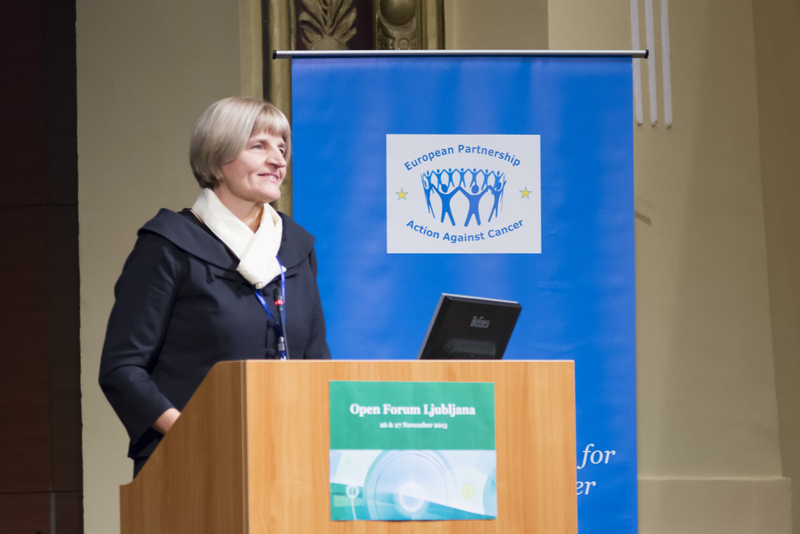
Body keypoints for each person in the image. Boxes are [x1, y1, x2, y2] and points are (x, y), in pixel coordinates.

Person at [98, 97, 331, 477]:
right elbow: (123, 369)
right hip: (192, 464)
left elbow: (316, 363)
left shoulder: (295, 248)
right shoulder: (170, 244)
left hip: (286, 461)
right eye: (259, 146)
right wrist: (195, 434)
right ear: (217, 157)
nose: (278, 159)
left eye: (282, 148)